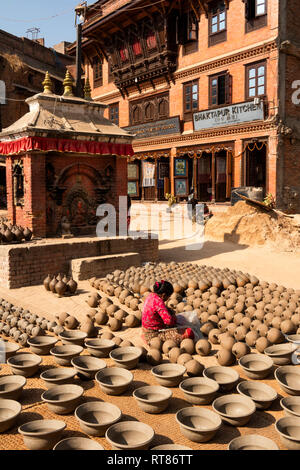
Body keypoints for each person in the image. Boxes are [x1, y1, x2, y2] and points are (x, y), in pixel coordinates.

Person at [142, 280, 194, 346]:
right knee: (189, 332)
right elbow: (169, 322)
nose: (168, 298)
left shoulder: (151, 295)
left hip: (146, 328)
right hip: (154, 334)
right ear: (163, 295)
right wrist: (173, 318)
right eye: (168, 296)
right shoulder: (159, 302)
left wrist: (168, 310)